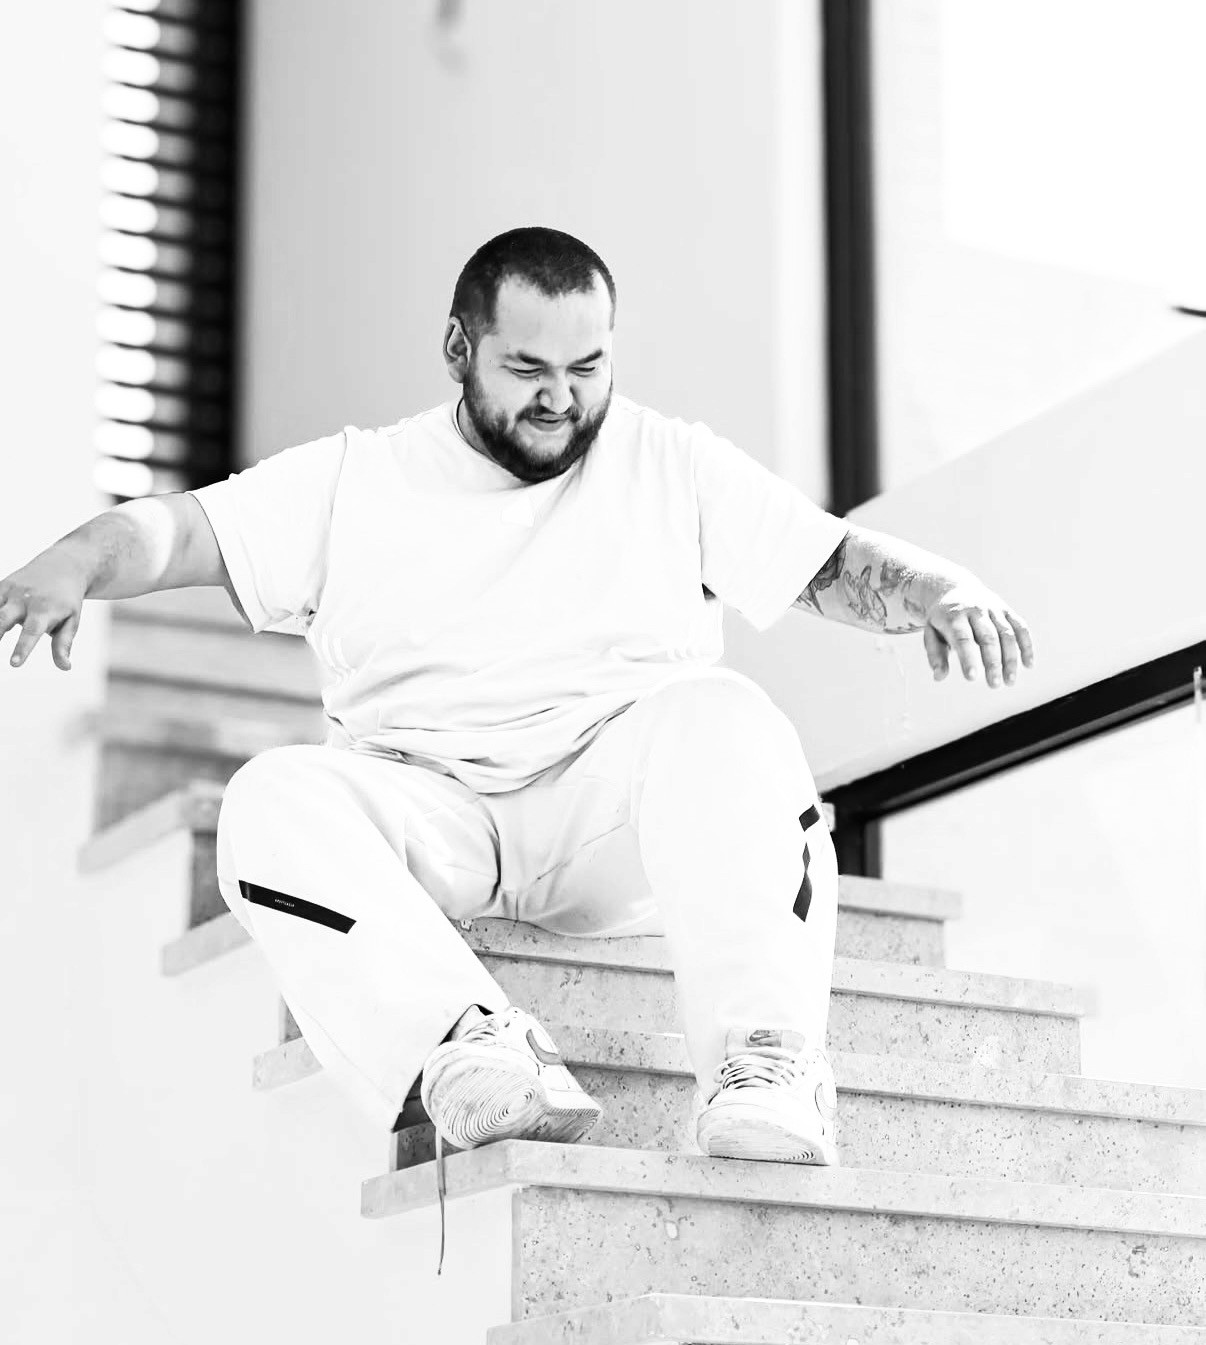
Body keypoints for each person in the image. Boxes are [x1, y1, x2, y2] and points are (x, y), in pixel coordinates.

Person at [1, 226, 1034, 1183]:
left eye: (587, 370)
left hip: (609, 821)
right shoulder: (359, 478)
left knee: (725, 714)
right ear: (458, 346)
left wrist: (939, 588)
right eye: (528, 369)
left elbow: (829, 560)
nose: (561, 399)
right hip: (434, 817)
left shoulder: (667, 460)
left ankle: (765, 1062)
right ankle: (472, 1045)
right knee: (269, 795)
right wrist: (77, 560)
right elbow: (180, 534)